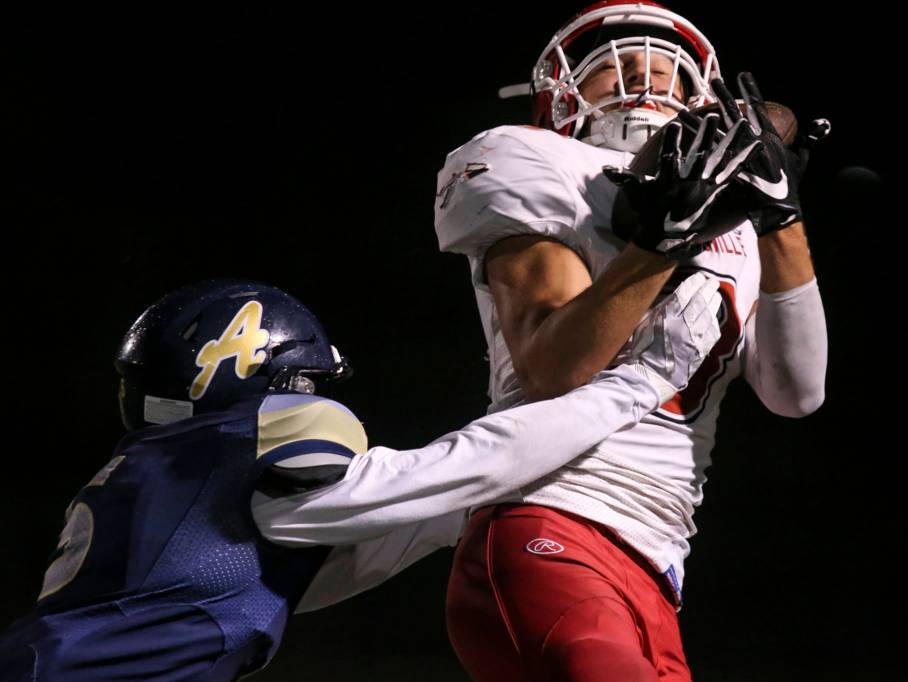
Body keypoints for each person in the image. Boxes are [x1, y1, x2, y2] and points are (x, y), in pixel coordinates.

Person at [0, 275, 722, 681]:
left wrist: (505, 501)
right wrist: (635, 385)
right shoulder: (247, 434)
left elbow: (320, 567)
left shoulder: (155, 477)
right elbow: (438, 475)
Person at [433, 1, 829, 680]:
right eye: (614, 72)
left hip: (657, 568)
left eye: (666, 76)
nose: (643, 85)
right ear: (559, 95)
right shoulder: (539, 162)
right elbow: (556, 368)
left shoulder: (734, 218)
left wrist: (779, 214)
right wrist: (662, 243)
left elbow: (797, 393)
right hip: (551, 522)